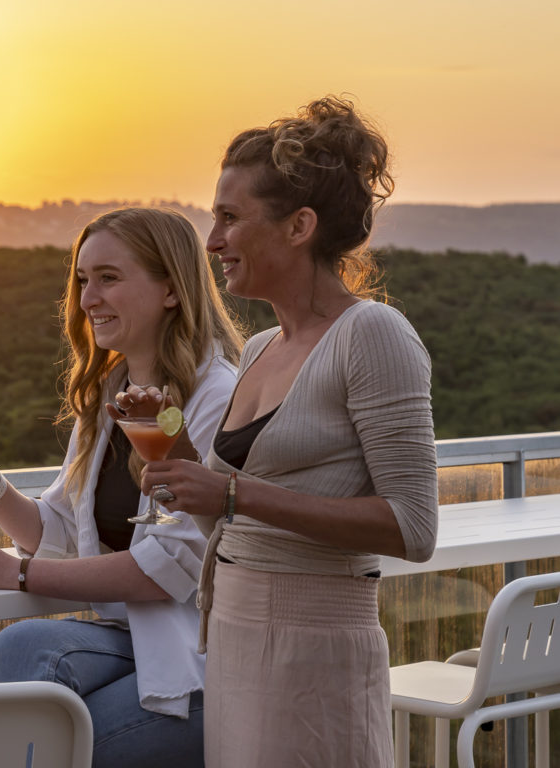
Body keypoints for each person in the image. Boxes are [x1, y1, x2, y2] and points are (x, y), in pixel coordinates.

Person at [140, 97, 438, 766]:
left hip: (315, 648)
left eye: (228, 219)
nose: (211, 242)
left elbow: (413, 527)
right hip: (235, 639)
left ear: (299, 225)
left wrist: (236, 500)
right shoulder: (261, 348)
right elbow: (228, 500)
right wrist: (162, 438)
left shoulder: (373, 335)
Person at [0, 207, 243, 766]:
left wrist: (13, 573)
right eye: (81, 280)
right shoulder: (111, 392)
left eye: (108, 278)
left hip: (203, 654)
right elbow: (62, 531)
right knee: (21, 646)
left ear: (171, 289)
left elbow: (172, 565)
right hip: (131, 638)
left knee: (42, 742)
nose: (86, 298)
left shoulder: (217, 394)